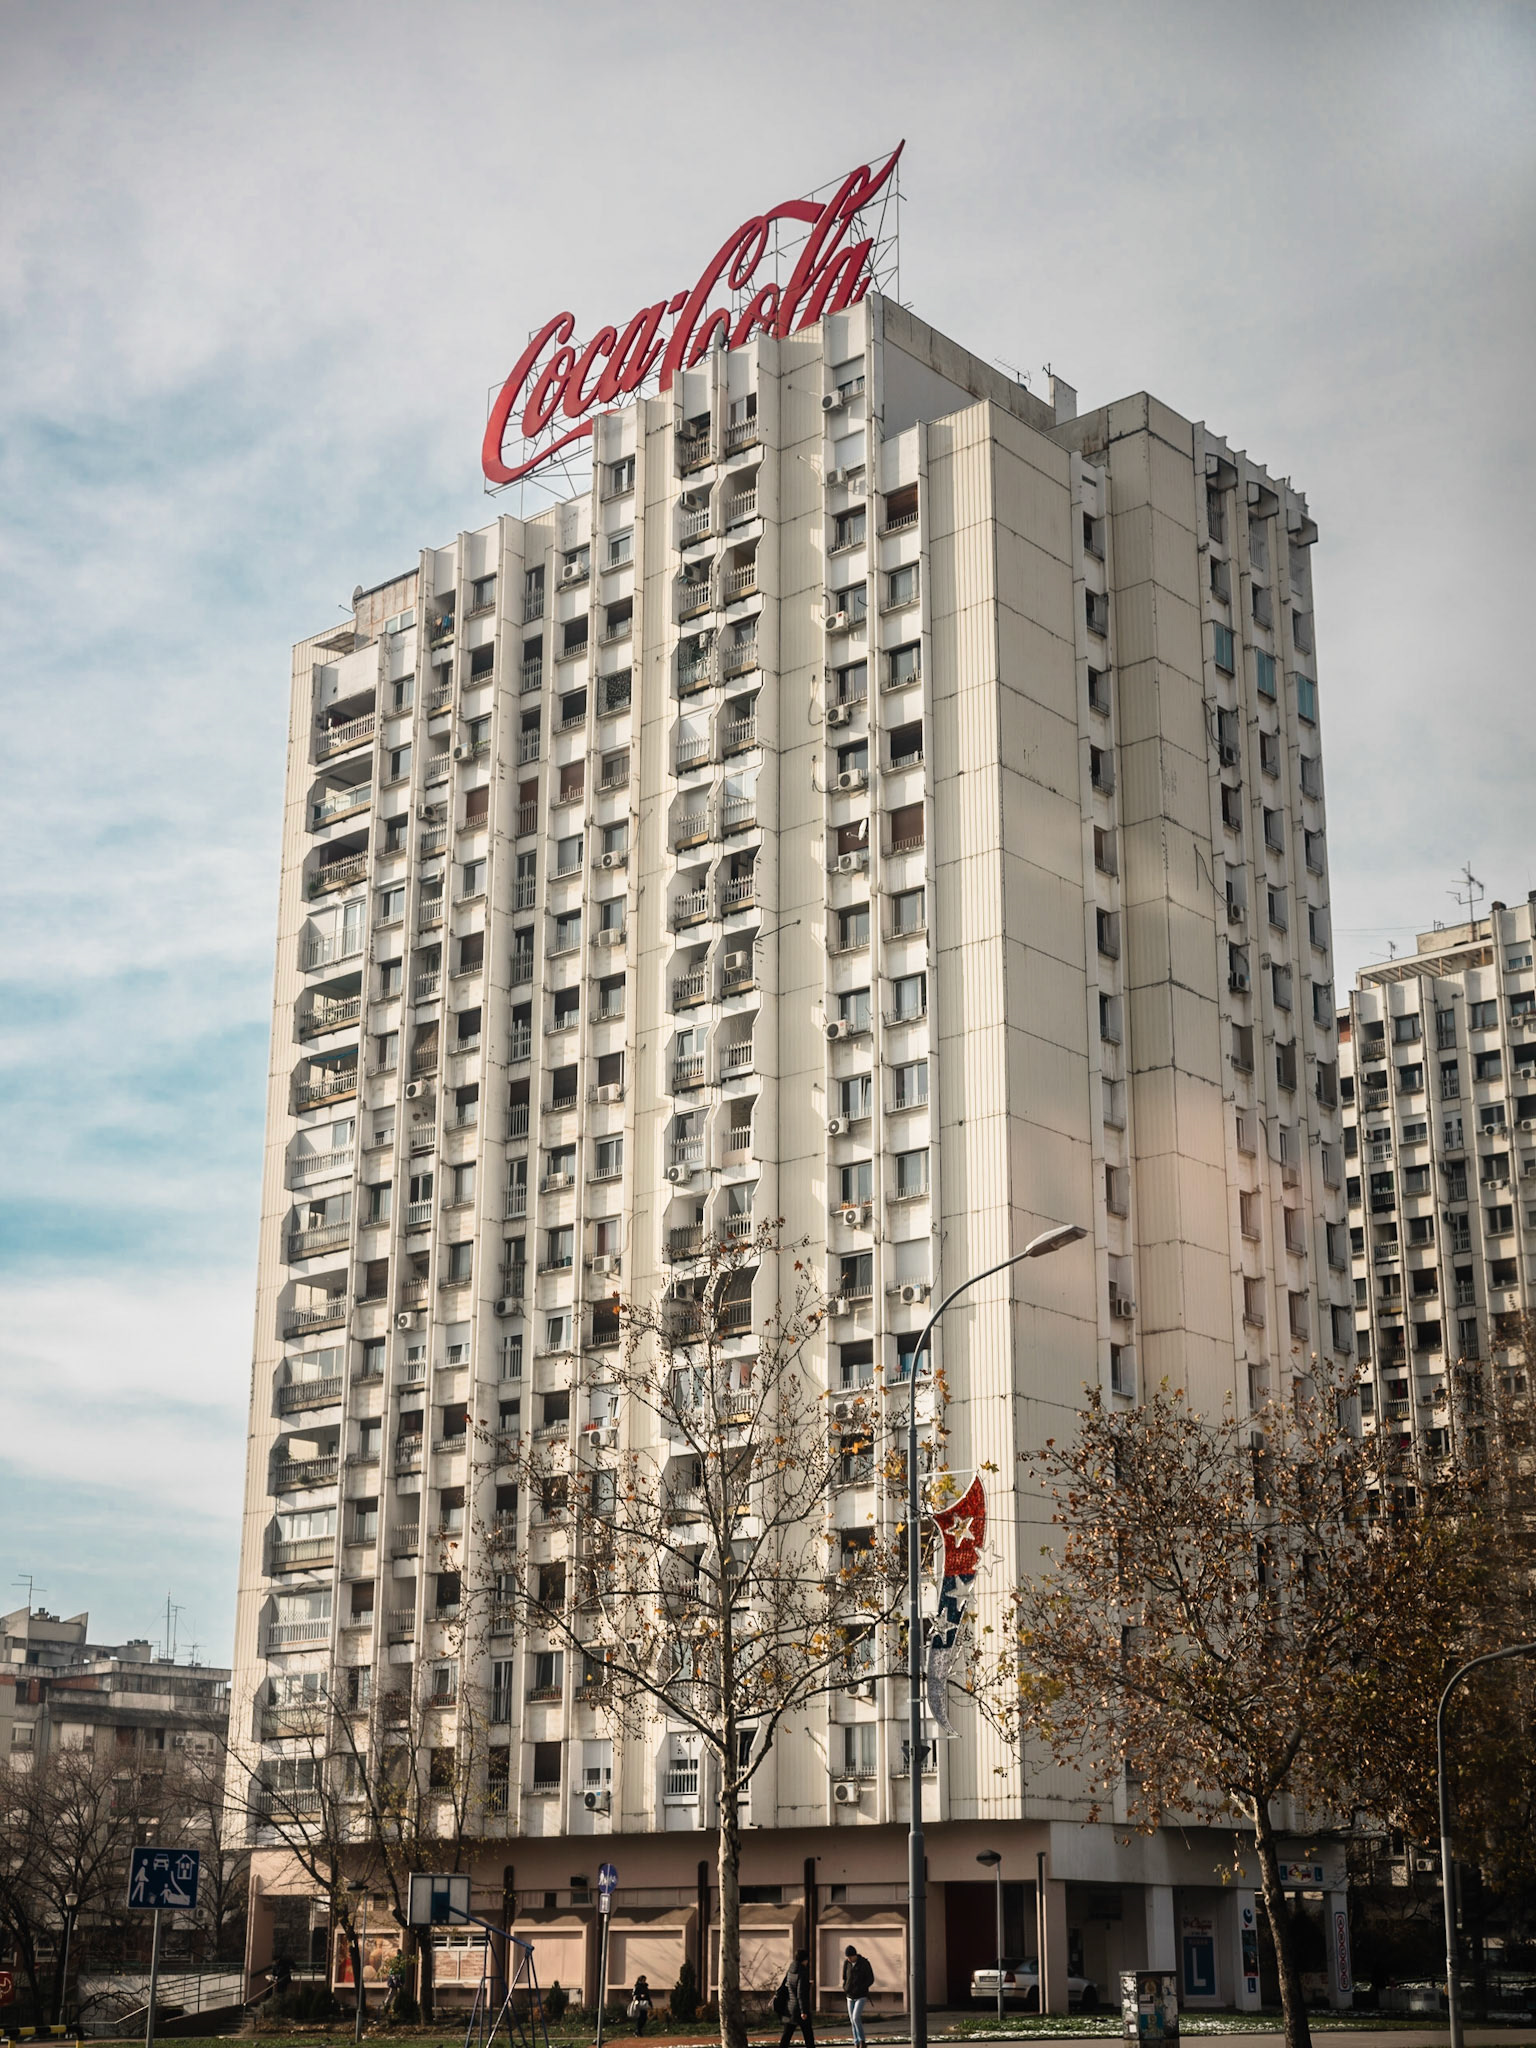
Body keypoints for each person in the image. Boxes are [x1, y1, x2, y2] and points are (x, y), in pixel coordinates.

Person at [776, 1950, 815, 2048]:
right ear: (804, 1960)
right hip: (799, 2009)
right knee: (808, 2035)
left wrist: (807, 1985)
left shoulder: (791, 1969)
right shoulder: (802, 1972)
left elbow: (789, 1986)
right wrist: (803, 2011)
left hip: (790, 2007)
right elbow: (801, 1993)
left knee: (787, 2034)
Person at [841, 1945, 874, 2046]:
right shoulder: (847, 1963)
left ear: (855, 1955)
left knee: (856, 2018)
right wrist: (845, 1987)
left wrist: (862, 1987)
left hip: (861, 1995)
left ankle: (862, 2040)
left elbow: (870, 1979)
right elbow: (844, 1977)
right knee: (852, 2020)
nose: (849, 1959)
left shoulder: (864, 1963)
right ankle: (856, 2041)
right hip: (850, 1995)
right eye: (847, 1957)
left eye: (850, 1957)